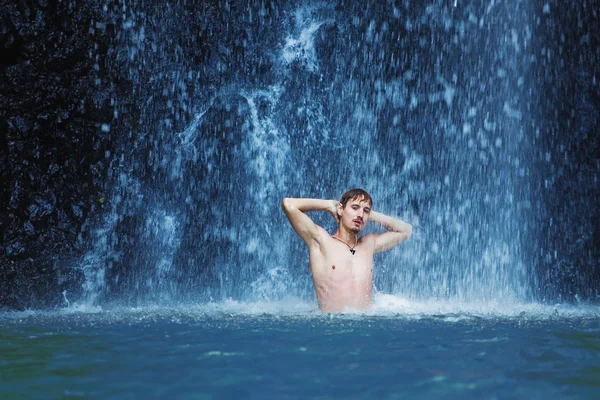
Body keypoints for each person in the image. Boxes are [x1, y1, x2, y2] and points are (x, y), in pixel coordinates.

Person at [281, 188, 412, 312]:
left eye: (366, 211)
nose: (360, 215)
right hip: (332, 327)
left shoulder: (368, 244)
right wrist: (328, 205)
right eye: (355, 208)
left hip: (365, 326)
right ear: (340, 210)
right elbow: (288, 204)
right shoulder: (321, 241)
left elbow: (406, 230)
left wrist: (368, 215)